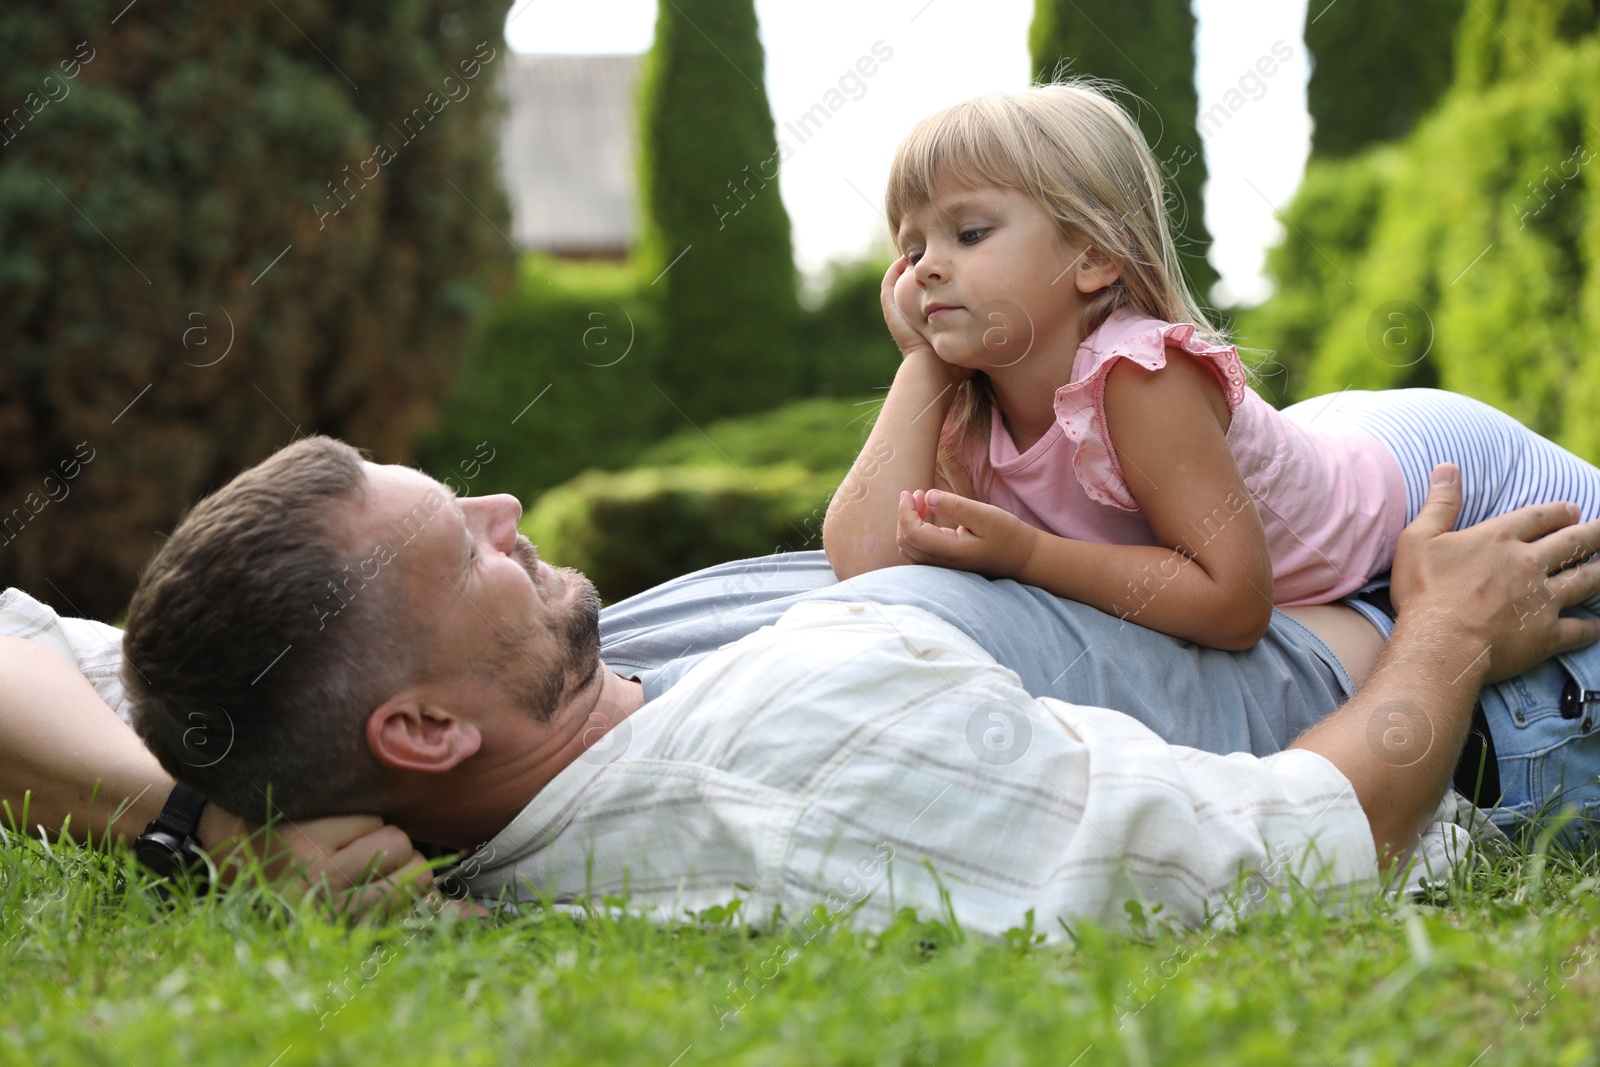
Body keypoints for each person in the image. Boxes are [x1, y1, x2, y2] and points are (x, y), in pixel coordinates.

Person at [7, 435, 1579, 937]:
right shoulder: (789, 761)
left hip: (1323, 511)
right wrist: (1450, 631)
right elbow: (1295, 850)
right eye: (464, 547)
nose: (504, 512)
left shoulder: (241, 714)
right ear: (420, 729)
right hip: (1489, 651)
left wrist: (182, 824)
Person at [822, 81, 1600, 655]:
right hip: (1318, 443)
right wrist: (923, 367)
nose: (924, 267)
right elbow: (865, 567)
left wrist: (1029, 556)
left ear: (1092, 254)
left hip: (1434, 473)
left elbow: (1235, 606)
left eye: (969, 232)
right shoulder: (971, 408)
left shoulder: (1135, 377)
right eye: (912, 245)